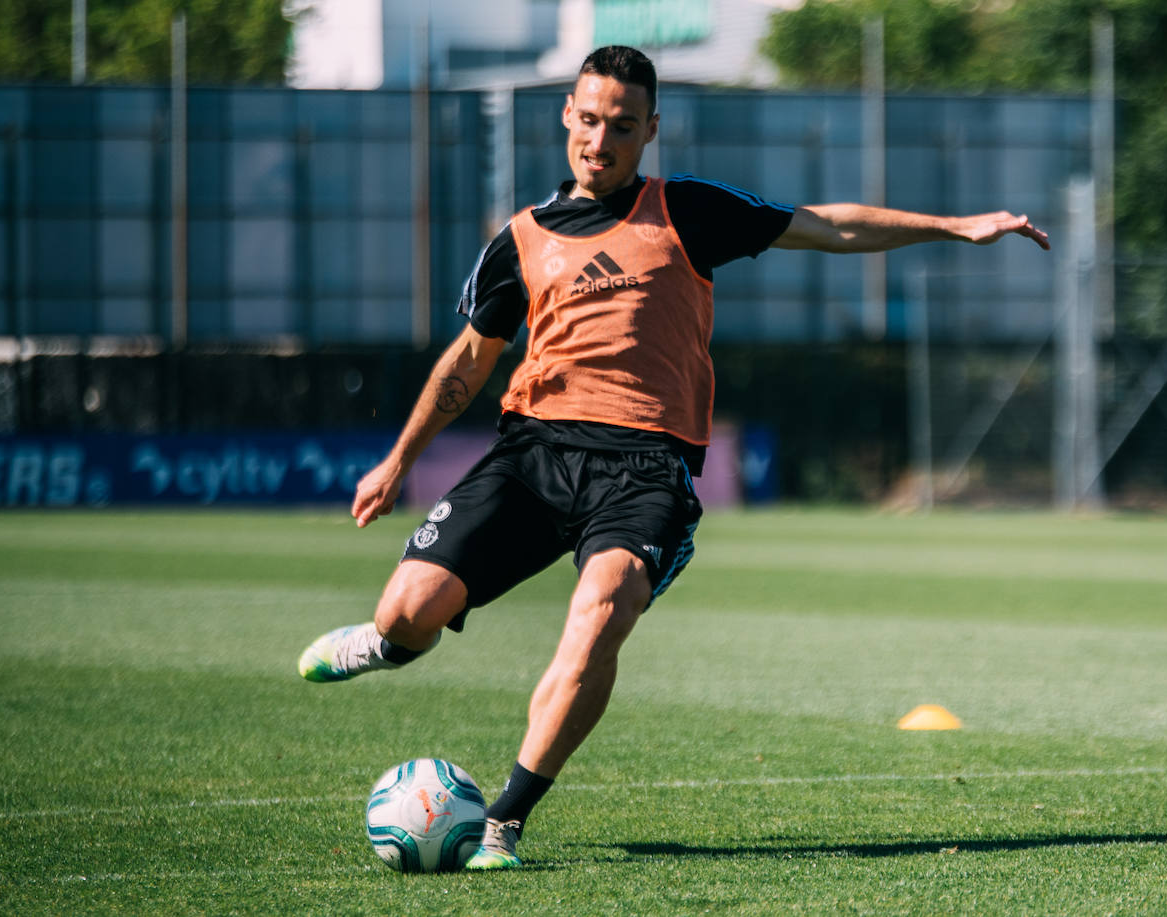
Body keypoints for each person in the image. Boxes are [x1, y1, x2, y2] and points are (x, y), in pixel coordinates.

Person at [297, 45, 1049, 870]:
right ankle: (391, 643)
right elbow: (468, 362)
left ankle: (504, 821)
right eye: (589, 120)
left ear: (650, 130)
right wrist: (400, 458)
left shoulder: (686, 210)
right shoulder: (518, 242)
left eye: (622, 125)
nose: (601, 140)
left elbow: (825, 223)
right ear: (566, 117)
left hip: (644, 469)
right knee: (409, 609)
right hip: (535, 453)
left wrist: (956, 225)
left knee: (602, 609)